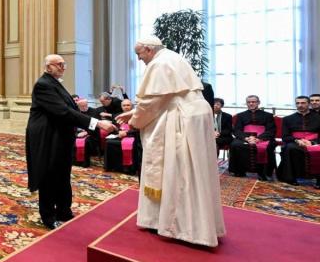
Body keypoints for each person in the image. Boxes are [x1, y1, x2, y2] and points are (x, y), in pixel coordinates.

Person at [115, 37, 225, 248]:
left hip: (182, 121)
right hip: (196, 115)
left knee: (180, 172)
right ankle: (199, 225)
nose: (139, 59)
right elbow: (160, 99)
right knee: (196, 173)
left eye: (140, 54)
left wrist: (134, 119)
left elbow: (152, 102)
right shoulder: (174, 58)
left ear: (148, 49)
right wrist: (136, 112)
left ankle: (183, 227)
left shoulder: (159, 63)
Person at [26, 54, 116, 229]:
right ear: (48, 67)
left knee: (63, 174)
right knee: (49, 176)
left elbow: (70, 109)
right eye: (59, 64)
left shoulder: (55, 83)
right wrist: (96, 123)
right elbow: (63, 112)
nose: (63, 67)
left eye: (64, 64)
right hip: (48, 138)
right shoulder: (43, 85)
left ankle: (63, 211)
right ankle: (48, 216)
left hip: (60, 136)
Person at [228, 95, 276, 180]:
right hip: (246, 137)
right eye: (249, 102)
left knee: (269, 146)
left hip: (263, 137)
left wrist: (258, 139)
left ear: (258, 103)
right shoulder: (241, 115)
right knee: (235, 145)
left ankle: (264, 172)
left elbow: (271, 130)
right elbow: (237, 130)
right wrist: (246, 138)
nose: (251, 104)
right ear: (246, 103)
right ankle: (239, 171)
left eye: (253, 102)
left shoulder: (268, 115)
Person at [276, 96, 320, 187]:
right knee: (290, 148)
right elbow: (285, 136)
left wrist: (312, 142)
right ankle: (291, 178)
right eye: (298, 103)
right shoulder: (287, 119)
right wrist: (297, 140)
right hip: (295, 142)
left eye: (303, 103)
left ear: (308, 104)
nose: (300, 105)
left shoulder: (318, 117)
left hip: (315, 142)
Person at [104, 99, 142, 175]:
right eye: (124, 105)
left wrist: (127, 133)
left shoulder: (136, 116)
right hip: (119, 135)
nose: (126, 107)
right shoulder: (118, 115)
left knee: (131, 144)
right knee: (109, 143)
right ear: (121, 107)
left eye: (128, 105)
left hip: (133, 136)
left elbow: (139, 129)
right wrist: (118, 132)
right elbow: (114, 128)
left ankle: (129, 168)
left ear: (132, 106)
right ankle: (113, 167)